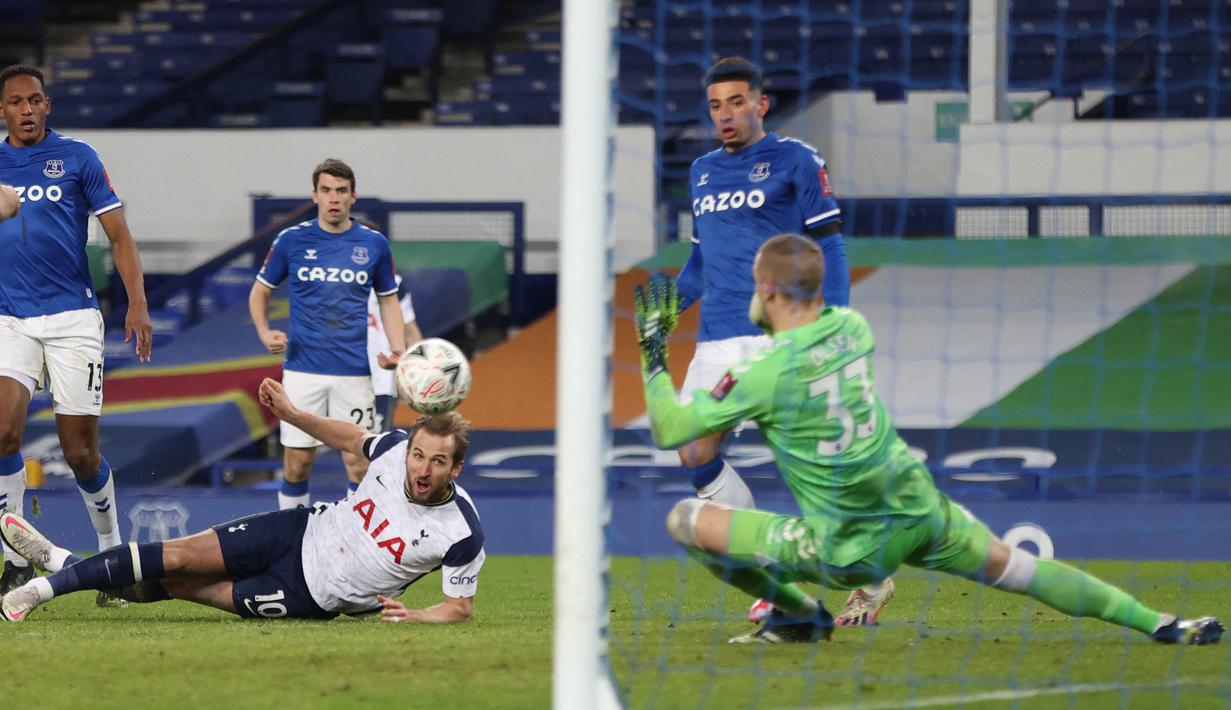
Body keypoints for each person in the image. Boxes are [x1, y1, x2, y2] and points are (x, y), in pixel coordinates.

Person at [633, 234, 1223, 646]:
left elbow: (670, 430)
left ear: (765, 287)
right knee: (1019, 568)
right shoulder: (852, 328)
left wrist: (653, 354)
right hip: (920, 510)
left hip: (848, 547)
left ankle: (797, 612)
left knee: (687, 520)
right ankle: (1161, 623)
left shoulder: (762, 373)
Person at [0, 377, 484, 624]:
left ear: (455, 469)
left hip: (309, 595)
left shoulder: (461, 531)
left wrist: (415, 616)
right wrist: (294, 413)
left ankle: (62, 561)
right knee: (179, 556)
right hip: (301, 530)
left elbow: (458, 607)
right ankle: (40, 591)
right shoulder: (395, 448)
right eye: (419, 455)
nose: (421, 468)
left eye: (437, 462)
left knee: (179, 584)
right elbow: (349, 436)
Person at [679, 56, 883, 626]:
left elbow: (830, 247)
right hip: (717, 339)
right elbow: (699, 261)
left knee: (812, 463)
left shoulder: (797, 160)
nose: (726, 114)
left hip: (778, 338)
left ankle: (868, 577)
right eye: (716, 104)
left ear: (761, 103)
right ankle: (773, 567)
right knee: (695, 452)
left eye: (737, 102)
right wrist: (669, 308)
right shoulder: (700, 172)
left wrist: (833, 322)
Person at [0, 65, 153, 606]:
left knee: (80, 452)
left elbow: (119, 233)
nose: (26, 109)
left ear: (48, 106)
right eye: (15, 101)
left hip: (72, 319)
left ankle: (111, 557)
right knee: (3, 434)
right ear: (2, 111)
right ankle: (17, 562)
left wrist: (137, 302)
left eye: (34, 100)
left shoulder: (79, 158)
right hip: (10, 319)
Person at [249, 159, 407, 509]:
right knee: (297, 463)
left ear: (353, 197)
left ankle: (358, 549)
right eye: (326, 190)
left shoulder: (373, 244)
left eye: (341, 191)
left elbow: (389, 300)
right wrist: (264, 331)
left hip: (353, 373)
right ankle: (290, 546)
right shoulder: (291, 240)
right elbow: (260, 290)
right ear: (314, 196)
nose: (333, 198)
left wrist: (398, 349)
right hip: (302, 370)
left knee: (359, 464)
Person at [367, 273, 421, 438]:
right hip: (340, 375)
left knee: (373, 445)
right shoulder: (330, 278)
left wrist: (423, 373)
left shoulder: (393, 283)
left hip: (380, 379)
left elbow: (410, 331)